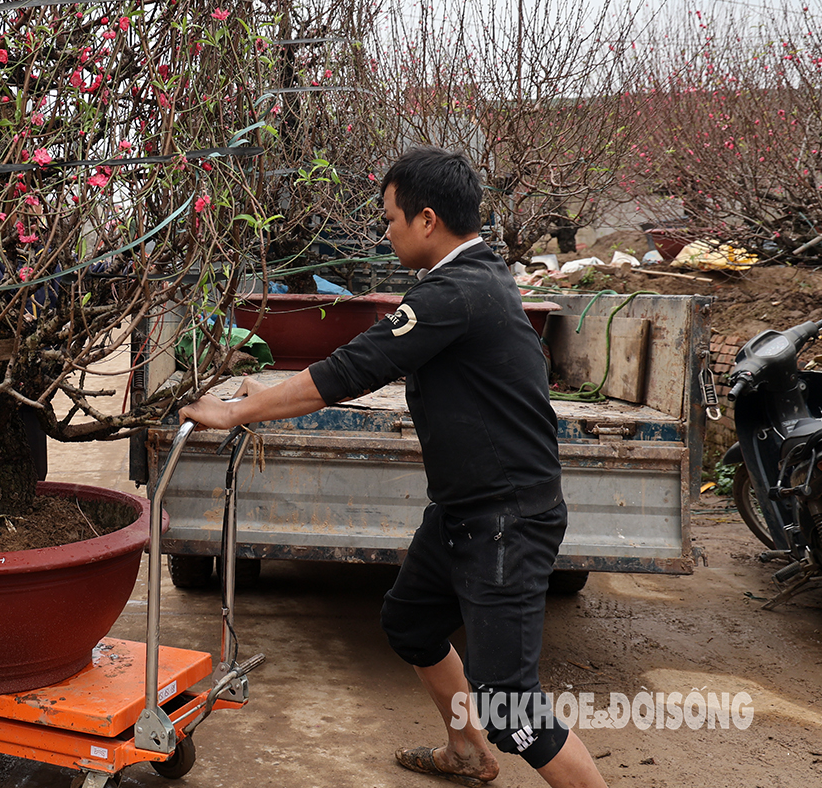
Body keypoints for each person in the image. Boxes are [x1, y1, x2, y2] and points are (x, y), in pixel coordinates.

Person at [179, 147, 608, 788]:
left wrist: (240, 411)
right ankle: (466, 754)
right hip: (468, 510)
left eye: (390, 219)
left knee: (512, 710)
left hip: (504, 521)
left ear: (427, 219)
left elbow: (352, 369)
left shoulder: (456, 292)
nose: (386, 232)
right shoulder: (476, 278)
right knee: (411, 622)